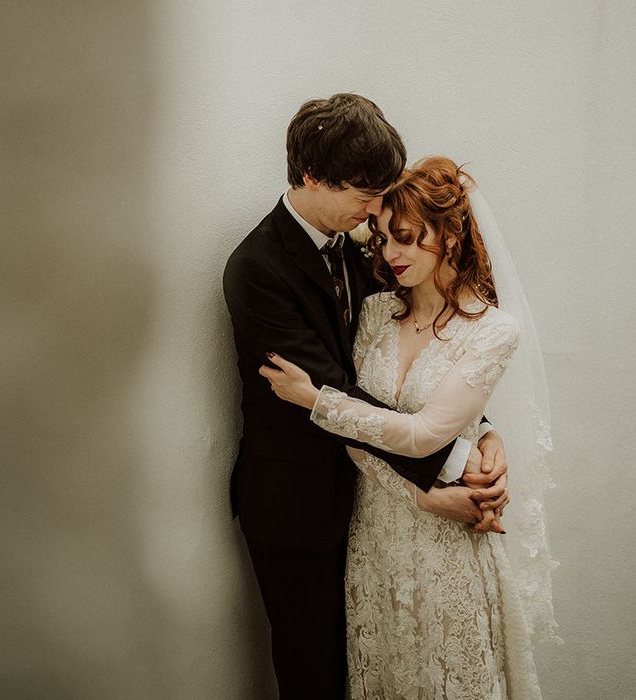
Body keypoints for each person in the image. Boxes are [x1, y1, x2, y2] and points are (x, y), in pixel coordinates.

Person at [223, 95, 510, 699]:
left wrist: (480, 430)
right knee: (315, 675)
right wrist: (449, 477)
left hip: (370, 506)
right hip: (295, 506)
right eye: (365, 194)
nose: (377, 211)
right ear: (311, 178)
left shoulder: (362, 252)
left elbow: (408, 368)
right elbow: (332, 389)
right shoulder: (257, 268)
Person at [261, 156, 558, 698]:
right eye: (380, 239)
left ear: (448, 234)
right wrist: (422, 496)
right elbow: (360, 435)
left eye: (405, 238)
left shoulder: (492, 331)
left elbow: (421, 434)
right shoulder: (374, 312)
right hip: (373, 535)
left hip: (448, 546)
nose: (390, 254)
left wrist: (315, 399)